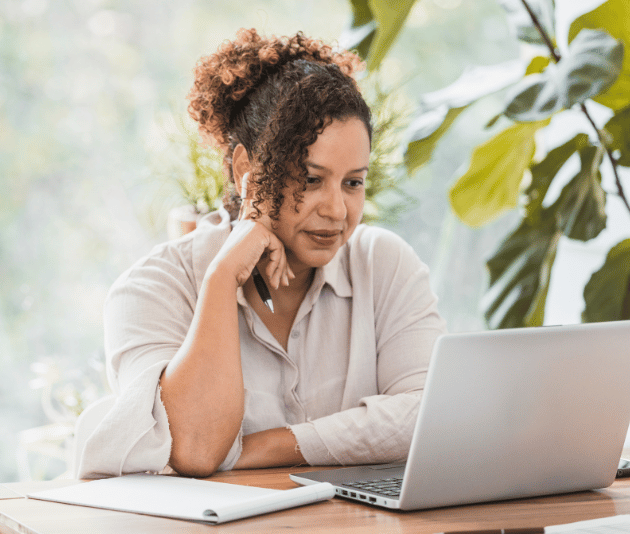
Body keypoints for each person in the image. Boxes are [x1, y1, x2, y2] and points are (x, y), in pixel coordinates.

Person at [78, 28, 446, 479]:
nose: (336, 210)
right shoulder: (152, 289)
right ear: (245, 172)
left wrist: (267, 446)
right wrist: (220, 280)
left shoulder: (384, 264)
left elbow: (430, 416)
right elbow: (195, 448)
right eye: (311, 179)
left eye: (353, 182)